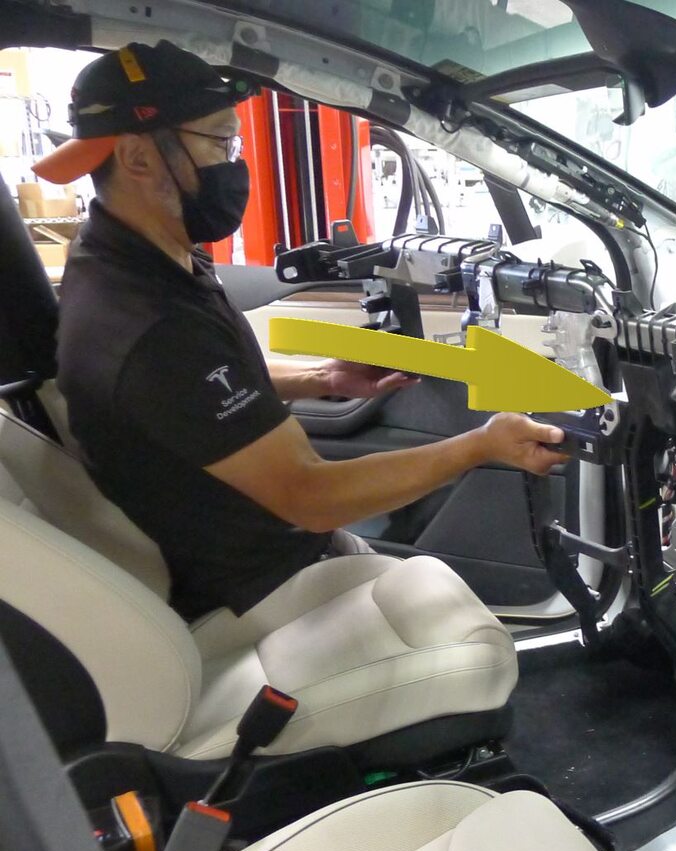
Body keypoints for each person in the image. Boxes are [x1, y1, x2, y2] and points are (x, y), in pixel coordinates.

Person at [34, 41, 568, 622]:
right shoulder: (147, 325)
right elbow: (310, 496)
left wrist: (323, 377)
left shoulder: (137, 256)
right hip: (258, 590)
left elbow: (197, 390)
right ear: (138, 157)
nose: (234, 163)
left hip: (273, 554)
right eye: (220, 142)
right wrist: (481, 446)